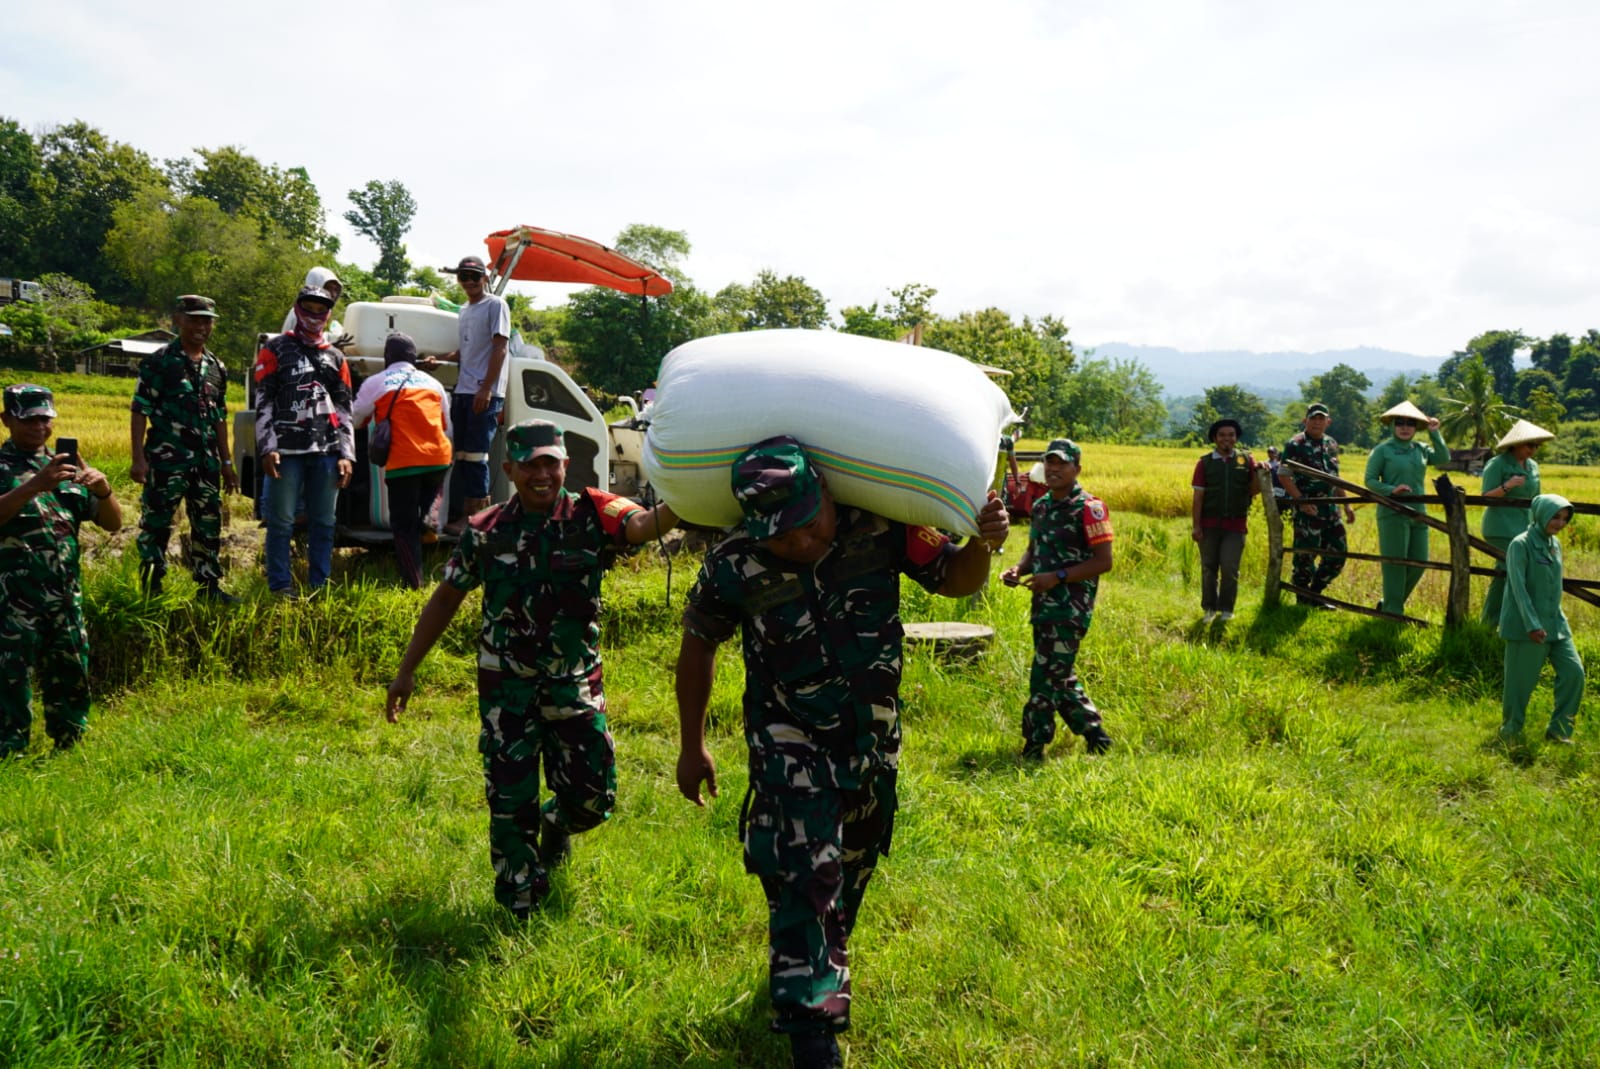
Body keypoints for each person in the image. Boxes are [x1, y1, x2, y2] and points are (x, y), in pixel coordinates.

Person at [674, 436, 1009, 1069]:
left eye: (805, 525)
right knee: (806, 878)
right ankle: (812, 1034)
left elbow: (954, 580)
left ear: (825, 493)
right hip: (787, 740)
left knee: (850, 870)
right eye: (779, 536)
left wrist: (984, 542)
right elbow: (698, 645)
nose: (797, 543)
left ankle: (818, 963)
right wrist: (692, 746)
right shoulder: (734, 563)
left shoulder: (881, 527)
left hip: (872, 742)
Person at [386, 419, 678, 918]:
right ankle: (520, 907)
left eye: (551, 463)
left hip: (574, 682)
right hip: (508, 690)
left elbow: (642, 526)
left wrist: (693, 493)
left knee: (594, 797)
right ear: (510, 469)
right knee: (509, 806)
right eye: (530, 464)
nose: (542, 474)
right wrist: (407, 669)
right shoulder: (485, 531)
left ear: (566, 464)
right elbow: (445, 599)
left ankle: (558, 823)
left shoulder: (595, 512)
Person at [0, 384, 122, 756]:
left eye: (45, 419)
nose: (39, 427)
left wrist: (102, 490)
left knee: (70, 670)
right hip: (13, 596)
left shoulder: (67, 466)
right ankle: (10, 748)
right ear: (7, 420)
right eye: (29, 419)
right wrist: (35, 485)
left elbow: (112, 524)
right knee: (10, 675)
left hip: (65, 594)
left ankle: (69, 742)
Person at [1001, 438, 1114, 759]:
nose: (1053, 469)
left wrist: (1057, 577)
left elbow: (1103, 561)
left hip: (1071, 608)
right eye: (1049, 462)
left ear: (1076, 468)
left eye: (1061, 463)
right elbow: (1034, 550)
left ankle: (1034, 746)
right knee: (1058, 674)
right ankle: (1097, 736)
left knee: (1043, 677)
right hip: (1042, 607)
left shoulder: (1090, 508)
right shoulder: (1041, 506)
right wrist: (1017, 569)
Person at [130, 294, 240, 602]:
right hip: (167, 461)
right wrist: (138, 459)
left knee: (207, 523)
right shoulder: (160, 362)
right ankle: (151, 587)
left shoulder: (217, 366)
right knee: (157, 524)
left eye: (206, 321)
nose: (201, 327)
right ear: (178, 319)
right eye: (194, 319)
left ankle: (208, 588)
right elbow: (140, 409)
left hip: (205, 463)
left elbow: (219, 416)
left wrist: (227, 463)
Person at [254, 284, 355, 598]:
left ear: (328, 314)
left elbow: (345, 409)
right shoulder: (275, 349)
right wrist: (267, 446)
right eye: (308, 308)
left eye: (320, 309)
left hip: (326, 452)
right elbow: (263, 400)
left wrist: (346, 454)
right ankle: (280, 587)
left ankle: (318, 587)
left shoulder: (336, 357)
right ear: (297, 309)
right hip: (286, 451)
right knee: (281, 522)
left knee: (324, 523)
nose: (313, 316)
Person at [353, 332, 452, 589]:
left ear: (387, 357)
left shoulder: (376, 382)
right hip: (439, 457)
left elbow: (355, 419)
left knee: (403, 526)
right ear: (413, 357)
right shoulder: (433, 383)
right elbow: (446, 426)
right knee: (428, 497)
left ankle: (413, 583)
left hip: (404, 462)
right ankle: (429, 518)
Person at [419, 255, 509, 531]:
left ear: (484, 278)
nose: (469, 281)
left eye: (474, 276)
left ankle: (476, 521)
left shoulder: (496, 305)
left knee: (476, 455)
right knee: (459, 454)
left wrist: (486, 388)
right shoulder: (466, 310)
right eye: (464, 276)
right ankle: (459, 515)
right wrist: (438, 359)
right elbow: (467, 351)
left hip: (483, 393)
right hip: (463, 391)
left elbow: (500, 348)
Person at [1499, 494, 1584, 744]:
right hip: (1525, 627)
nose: (1559, 523)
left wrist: (1554, 619)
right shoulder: (1520, 544)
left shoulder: (1554, 544)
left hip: (1556, 624)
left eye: (1564, 519)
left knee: (1574, 673)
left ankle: (1559, 731)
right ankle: (1510, 732)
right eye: (1555, 517)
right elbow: (1518, 588)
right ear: (1539, 514)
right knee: (1519, 684)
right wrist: (1532, 624)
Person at [1363, 401, 1450, 616]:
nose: (1405, 427)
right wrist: (1392, 489)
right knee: (1395, 565)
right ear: (1392, 426)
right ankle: (1394, 612)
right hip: (1392, 512)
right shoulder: (1383, 450)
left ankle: (1389, 603)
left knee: (1420, 562)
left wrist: (1435, 433)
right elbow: (1370, 480)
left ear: (1415, 427)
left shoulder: (1419, 449)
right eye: (1399, 423)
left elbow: (1443, 458)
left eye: (1410, 423)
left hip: (1419, 512)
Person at [1278, 403, 1356, 605]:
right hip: (1308, 510)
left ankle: (1316, 592)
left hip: (1331, 509)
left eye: (1321, 419)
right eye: (1313, 418)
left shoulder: (1331, 444)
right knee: (1305, 557)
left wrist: (1346, 505)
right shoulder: (1295, 444)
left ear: (1328, 422)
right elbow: (1284, 476)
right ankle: (1303, 599)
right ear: (1305, 420)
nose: (1317, 422)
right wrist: (1302, 502)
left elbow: (1335, 478)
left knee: (1338, 553)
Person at [1481, 419, 1553, 624]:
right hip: (1500, 526)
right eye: (1530, 445)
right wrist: (1507, 486)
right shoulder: (1497, 464)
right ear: (1516, 444)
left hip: (1524, 526)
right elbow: (1485, 497)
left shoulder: (1533, 466)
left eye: (1537, 445)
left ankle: (1498, 619)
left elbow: (1535, 499)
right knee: (1510, 569)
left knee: (1507, 572)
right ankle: (1493, 620)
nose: (1533, 449)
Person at [1190, 417, 1259, 622]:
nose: (1226, 439)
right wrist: (1196, 526)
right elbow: (1198, 497)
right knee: (1209, 567)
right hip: (1209, 525)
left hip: (1235, 525)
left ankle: (1227, 610)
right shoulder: (1205, 463)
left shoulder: (1246, 460)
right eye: (1222, 435)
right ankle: (1209, 609)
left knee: (1230, 568)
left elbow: (1253, 490)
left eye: (1231, 435)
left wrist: (1260, 472)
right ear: (1214, 438)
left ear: (1236, 438)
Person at [280, 266, 344, 335]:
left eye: (335, 289)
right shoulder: (299, 315)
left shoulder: (323, 315)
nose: (333, 294)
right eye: (328, 288)